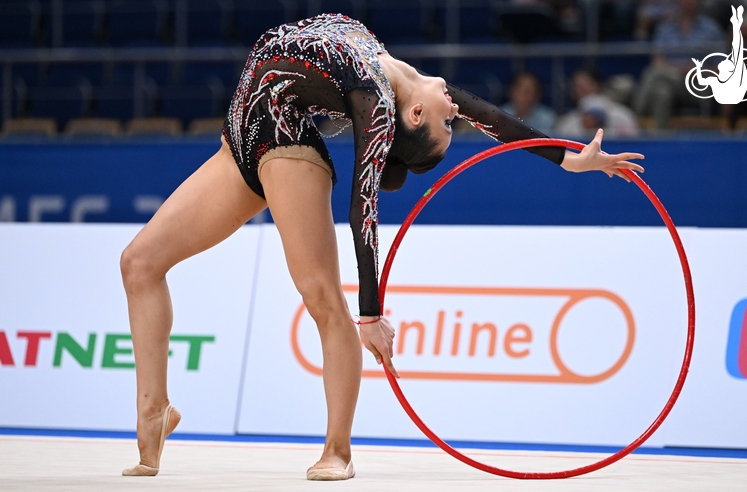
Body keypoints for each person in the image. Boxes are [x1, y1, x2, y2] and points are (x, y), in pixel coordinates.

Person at [119, 13, 644, 481]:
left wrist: (372, 313)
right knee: (139, 262)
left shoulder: (376, 100)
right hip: (241, 139)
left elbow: (362, 206)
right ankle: (155, 409)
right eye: (452, 121)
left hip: (287, 145)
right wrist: (572, 159)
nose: (455, 114)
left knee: (324, 300)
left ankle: (337, 450)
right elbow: (499, 122)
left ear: (413, 118)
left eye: (447, 124)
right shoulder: (406, 80)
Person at [633, 0, 724, 129]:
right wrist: (681, 70)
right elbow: (658, 60)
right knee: (661, 92)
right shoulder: (665, 28)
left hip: (698, 85)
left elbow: (720, 68)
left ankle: (636, 115)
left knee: (654, 73)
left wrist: (698, 72)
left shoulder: (711, 29)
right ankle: (662, 138)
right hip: (672, 82)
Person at [556, 67, 641, 138]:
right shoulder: (567, 123)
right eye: (577, 87)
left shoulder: (622, 116)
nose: (581, 90)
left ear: (598, 85)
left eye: (585, 86)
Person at [691, 6, 747, 104]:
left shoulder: (712, 29)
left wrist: (697, 68)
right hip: (678, 83)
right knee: (662, 90)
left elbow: (703, 80)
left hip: (712, 92)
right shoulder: (666, 27)